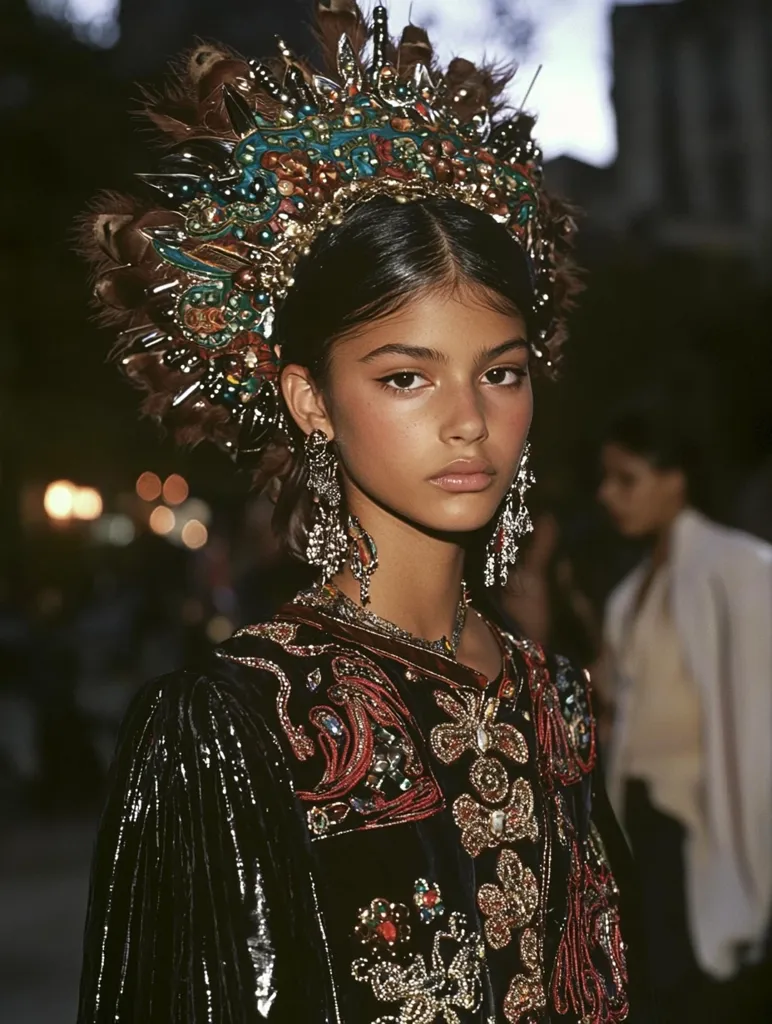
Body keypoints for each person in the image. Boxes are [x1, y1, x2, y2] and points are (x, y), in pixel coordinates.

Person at [76, 4, 646, 1021]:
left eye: (501, 373)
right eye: (404, 378)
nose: (470, 422)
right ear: (310, 400)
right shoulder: (239, 722)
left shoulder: (553, 696)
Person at [598, 396, 772, 1023]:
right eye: (607, 479)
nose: (609, 496)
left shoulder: (739, 571)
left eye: (627, 480)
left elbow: (755, 712)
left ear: (675, 479)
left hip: (701, 816)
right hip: (643, 815)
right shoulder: (637, 586)